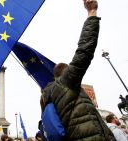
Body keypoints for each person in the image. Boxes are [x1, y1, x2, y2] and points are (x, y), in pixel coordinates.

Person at [40, 0, 116, 140]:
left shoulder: (46, 98)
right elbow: (84, 51)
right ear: (67, 72)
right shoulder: (66, 83)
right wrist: (91, 12)